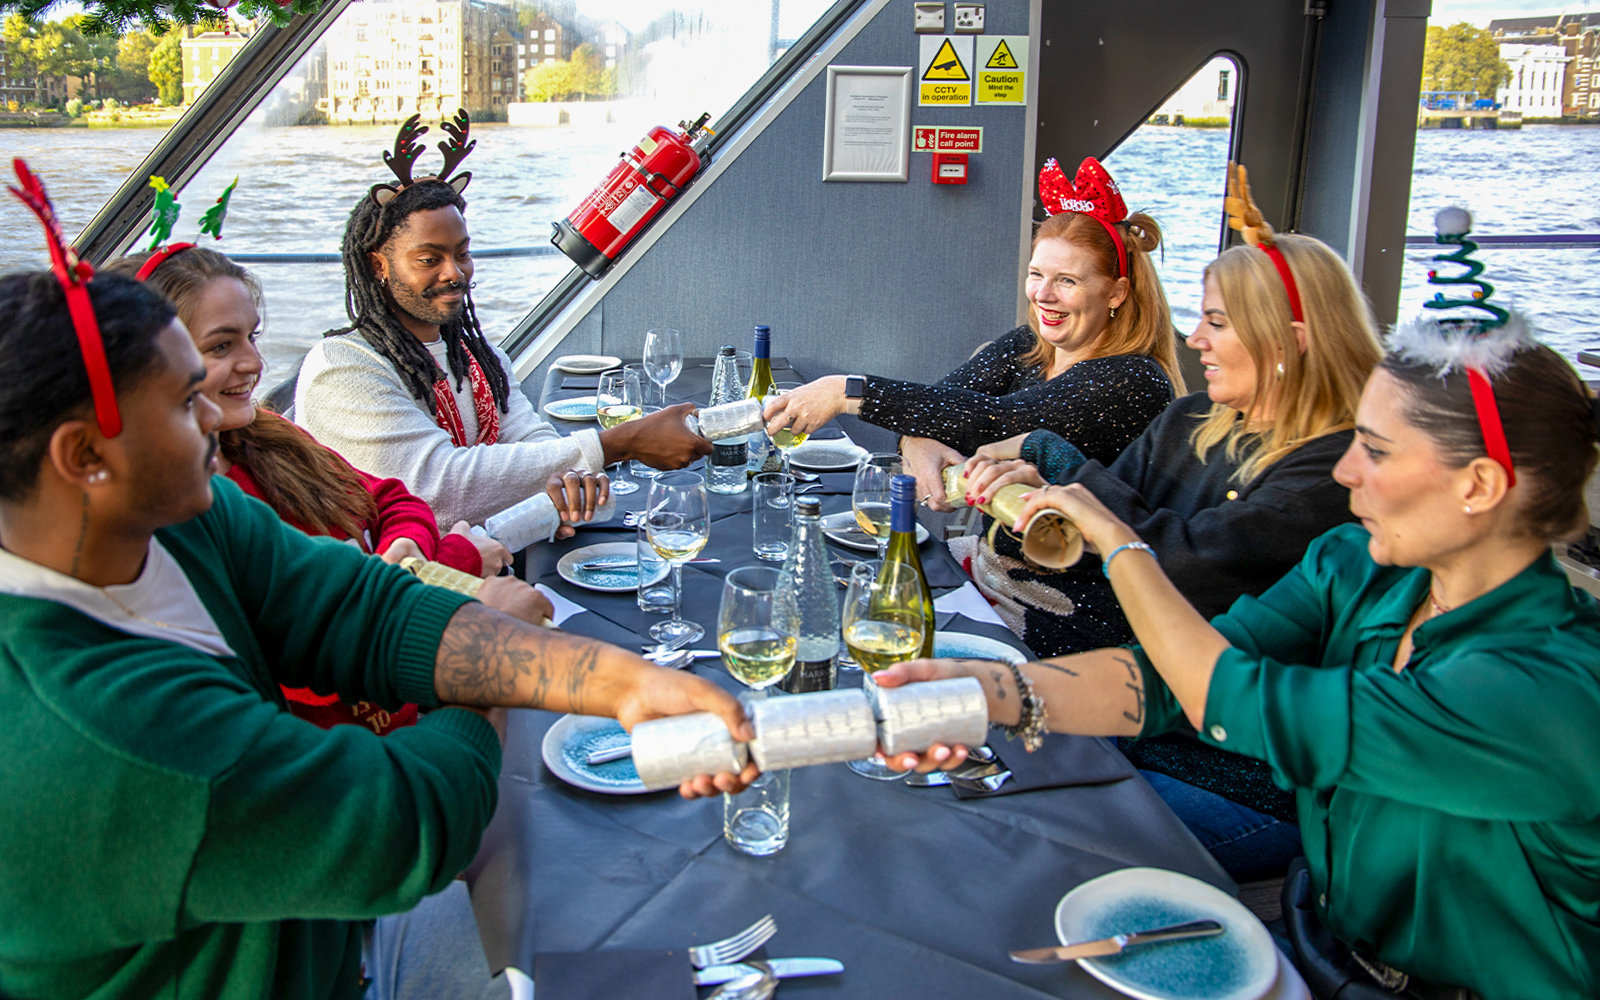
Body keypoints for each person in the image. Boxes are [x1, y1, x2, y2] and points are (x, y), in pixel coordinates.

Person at [0, 162, 753, 998]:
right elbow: (402, 820)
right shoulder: (104, 733)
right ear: (84, 459)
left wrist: (620, 683)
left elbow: (362, 606)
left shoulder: (189, 519)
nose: (219, 414)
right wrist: (492, 680)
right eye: (185, 404)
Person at [880, 317, 1600, 1000]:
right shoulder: (1358, 566)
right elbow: (1163, 678)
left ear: (1478, 484)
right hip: (1327, 947)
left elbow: (1227, 691)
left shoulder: (1545, 688)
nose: (1345, 472)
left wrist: (1117, 540)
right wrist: (991, 691)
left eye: (1375, 451)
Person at [958, 220, 1383, 878]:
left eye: (1217, 322)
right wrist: (1025, 506)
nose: (1194, 339)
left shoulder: (1333, 473)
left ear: (1288, 343)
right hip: (1133, 709)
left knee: (1024, 855)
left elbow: (1178, 566)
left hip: (1234, 774)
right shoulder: (1188, 420)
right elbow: (1092, 547)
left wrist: (1051, 460)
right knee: (961, 801)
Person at [105, 245, 591, 735]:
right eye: (220, 347)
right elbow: (312, 638)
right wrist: (455, 565)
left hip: (402, 697)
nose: (253, 363)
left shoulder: (271, 437)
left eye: (252, 338)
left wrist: (408, 551)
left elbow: (394, 500)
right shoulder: (199, 506)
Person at [293, 111, 710, 527]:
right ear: (378, 265)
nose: (454, 273)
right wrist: (620, 442)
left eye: (462, 254)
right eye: (428, 259)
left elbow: (531, 439)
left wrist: (560, 494)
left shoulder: (476, 355)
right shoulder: (342, 369)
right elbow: (438, 491)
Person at [761, 157, 1183, 503]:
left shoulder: (1134, 380)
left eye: (1067, 281)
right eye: (1037, 274)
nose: (1044, 295)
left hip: (1063, 597)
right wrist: (915, 441)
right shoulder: (1029, 345)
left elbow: (1001, 422)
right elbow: (940, 401)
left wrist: (845, 391)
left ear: (1116, 293)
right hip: (989, 566)